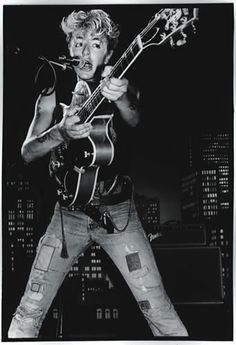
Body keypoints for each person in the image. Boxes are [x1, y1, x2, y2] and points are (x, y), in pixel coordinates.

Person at [8, 9, 188, 338]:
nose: (87, 51)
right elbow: (27, 151)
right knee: (28, 311)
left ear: (108, 52)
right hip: (67, 216)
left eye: (96, 44)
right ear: (70, 47)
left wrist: (121, 99)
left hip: (118, 215)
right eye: (80, 42)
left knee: (158, 308)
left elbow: (134, 117)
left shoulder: (121, 84)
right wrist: (60, 134)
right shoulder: (51, 92)